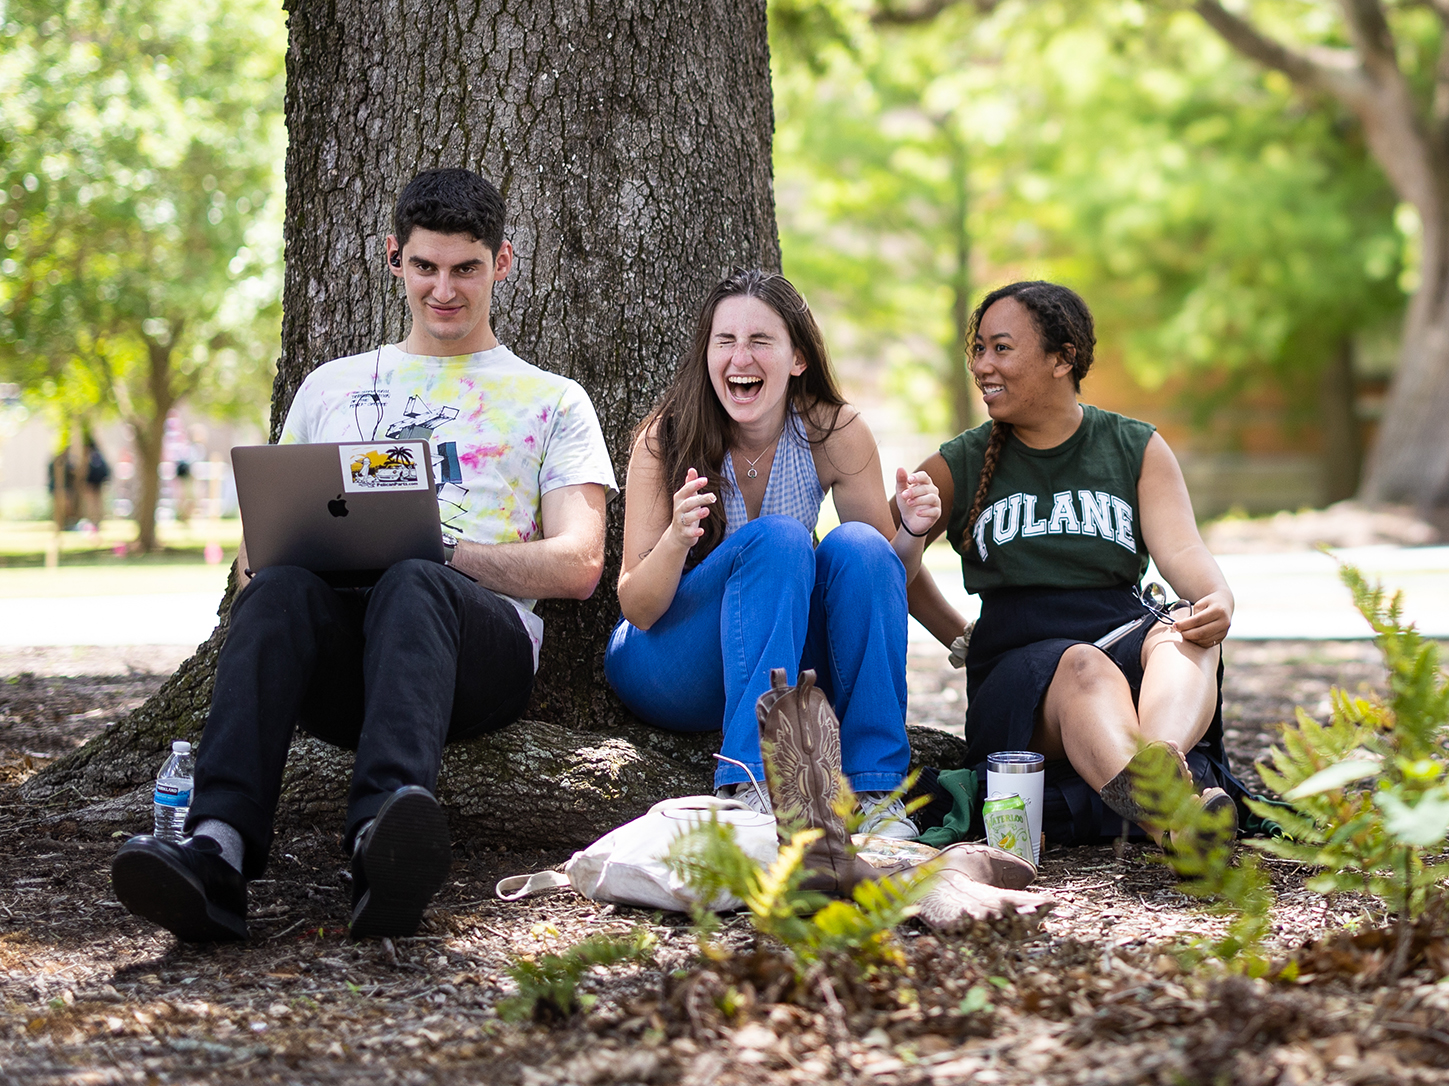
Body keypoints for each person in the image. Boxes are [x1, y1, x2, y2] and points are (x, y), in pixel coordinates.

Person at [111, 168, 617, 942]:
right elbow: (254, 560)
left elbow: (580, 565)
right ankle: (217, 851)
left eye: (465, 269)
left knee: (415, 577)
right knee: (276, 592)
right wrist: (325, 552)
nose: (442, 289)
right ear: (393, 259)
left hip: (474, 655)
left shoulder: (552, 398)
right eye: (424, 267)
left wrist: (441, 552)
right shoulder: (331, 387)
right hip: (342, 659)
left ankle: (380, 844)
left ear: (502, 264)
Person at [603, 270, 941, 839]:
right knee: (781, 538)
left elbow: (882, 579)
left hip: (778, 657)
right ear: (706, 352)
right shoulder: (667, 437)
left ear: (797, 359)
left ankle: (876, 789)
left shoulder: (834, 430)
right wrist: (676, 539)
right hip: (669, 660)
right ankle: (754, 786)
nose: (742, 357)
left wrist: (911, 531)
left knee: (860, 545)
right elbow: (637, 606)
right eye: (725, 341)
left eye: (761, 341)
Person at [905, 280, 1242, 848]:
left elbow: (1183, 553)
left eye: (1002, 348)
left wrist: (1217, 600)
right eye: (979, 349)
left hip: (1121, 633)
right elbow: (892, 559)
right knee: (1082, 666)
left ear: (1063, 359)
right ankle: (1175, 820)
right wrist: (956, 635)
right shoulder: (957, 462)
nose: (983, 365)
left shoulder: (1134, 446)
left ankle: (1163, 783)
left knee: (1186, 637)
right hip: (1024, 671)